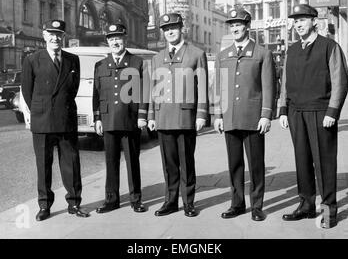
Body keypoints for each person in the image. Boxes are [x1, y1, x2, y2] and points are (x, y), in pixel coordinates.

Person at [279, 4, 348, 229]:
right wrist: (283, 110)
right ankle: (306, 205)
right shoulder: (292, 50)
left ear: (314, 22)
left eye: (303, 20)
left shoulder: (329, 46)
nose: (298, 24)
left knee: (324, 164)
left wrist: (333, 111)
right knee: (302, 162)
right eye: (295, 21)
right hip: (296, 112)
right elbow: (285, 83)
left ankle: (329, 212)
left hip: (321, 113)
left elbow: (340, 81)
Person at [22, 20, 89, 221]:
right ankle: (44, 205)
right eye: (51, 34)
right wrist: (42, 108)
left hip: (65, 118)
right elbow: (27, 92)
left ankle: (74, 202)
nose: (55, 38)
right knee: (43, 165)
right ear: (44, 36)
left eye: (59, 34)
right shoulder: (32, 59)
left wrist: (61, 105)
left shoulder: (72, 59)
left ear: (63, 37)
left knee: (71, 162)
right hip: (42, 120)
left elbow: (73, 88)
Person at [214, 9, 275, 221]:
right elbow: (220, 88)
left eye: (239, 24)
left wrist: (266, 115)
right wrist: (218, 115)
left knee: (256, 165)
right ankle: (237, 204)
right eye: (232, 25)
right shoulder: (223, 56)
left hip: (253, 118)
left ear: (247, 26)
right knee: (235, 164)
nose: (235, 28)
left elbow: (268, 87)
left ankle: (257, 206)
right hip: (230, 118)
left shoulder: (262, 53)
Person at [148, 13, 209, 217]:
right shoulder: (157, 58)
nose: (169, 32)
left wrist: (201, 114)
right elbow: (152, 89)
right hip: (163, 117)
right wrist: (151, 116)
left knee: (186, 162)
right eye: (166, 29)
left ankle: (188, 202)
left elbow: (202, 88)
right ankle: (170, 201)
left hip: (185, 117)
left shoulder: (196, 54)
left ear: (182, 28)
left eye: (173, 27)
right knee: (169, 164)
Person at [93, 22, 148, 214]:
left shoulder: (137, 62)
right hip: (108, 120)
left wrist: (142, 116)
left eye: (118, 38)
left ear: (125, 39)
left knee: (133, 161)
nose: (115, 42)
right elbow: (96, 94)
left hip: (129, 119)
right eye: (111, 39)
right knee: (110, 161)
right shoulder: (100, 65)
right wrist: (97, 118)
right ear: (107, 41)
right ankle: (112, 199)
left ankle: (135, 199)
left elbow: (143, 92)